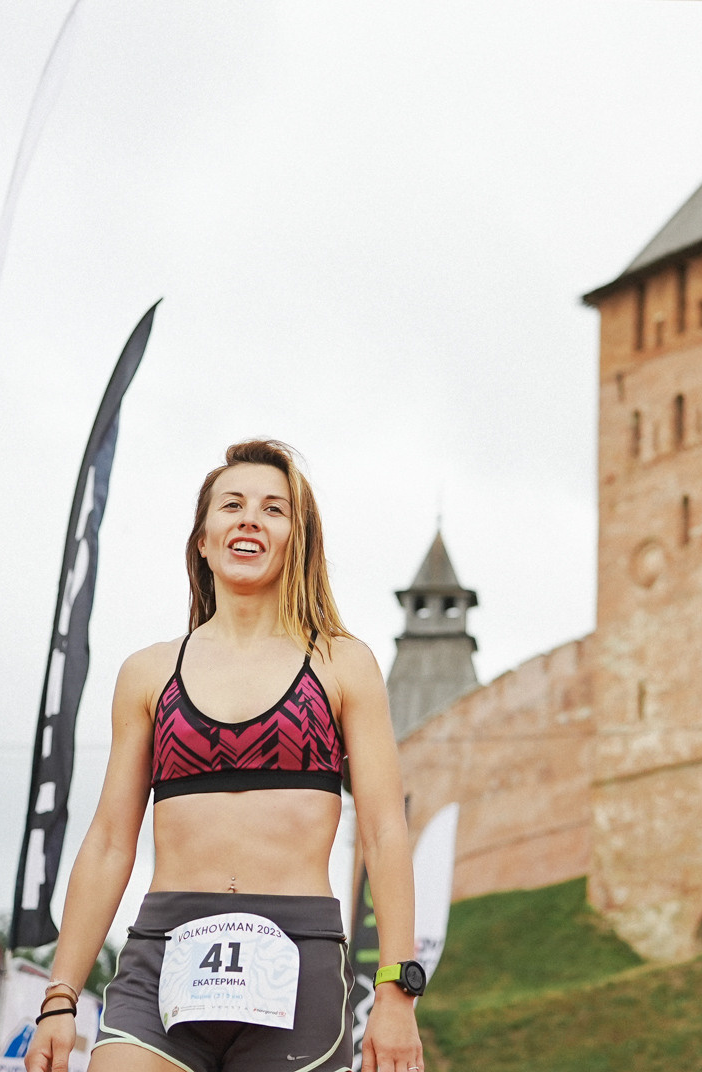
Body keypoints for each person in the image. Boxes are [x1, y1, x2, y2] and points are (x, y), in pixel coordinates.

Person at [25, 439, 425, 1072]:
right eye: (232, 505)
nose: (250, 519)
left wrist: (396, 991)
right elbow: (108, 841)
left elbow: (383, 830)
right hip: (164, 954)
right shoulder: (148, 673)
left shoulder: (342, 664)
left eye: (274, 509)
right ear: (203, 541)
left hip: (299, 962)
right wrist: (60, 996)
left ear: (297, 540)